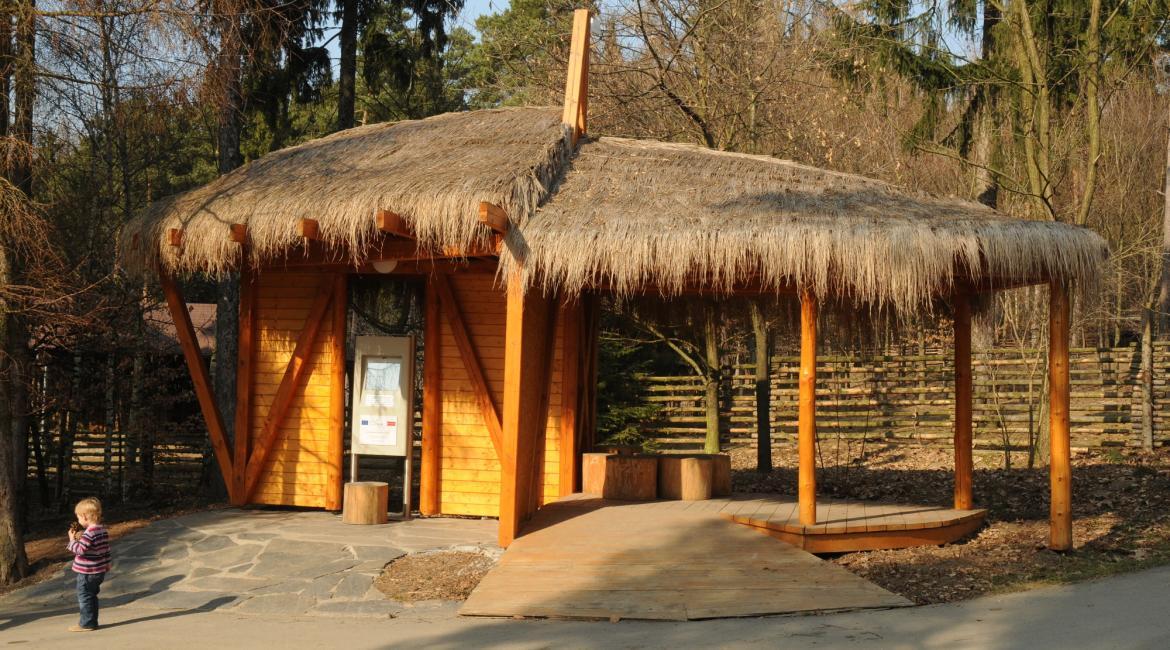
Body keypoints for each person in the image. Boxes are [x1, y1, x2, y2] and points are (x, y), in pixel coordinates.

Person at [67, 497, 111, 632]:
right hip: (99, 571)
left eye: (78, 517)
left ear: (85, 516)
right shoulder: (102, 530)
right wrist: (107, 563)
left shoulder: (89, 533)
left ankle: (86, 623)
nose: (78, 520)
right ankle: (92, 621)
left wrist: (71, 540)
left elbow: (80, 550)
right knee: (92, 596)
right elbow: (106, 549)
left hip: (87, 572)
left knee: (85, 597)